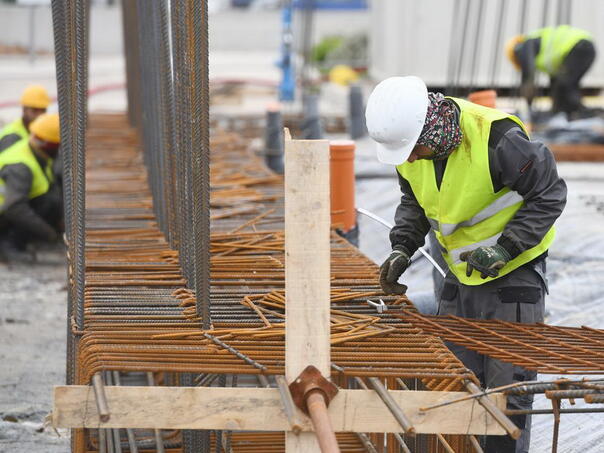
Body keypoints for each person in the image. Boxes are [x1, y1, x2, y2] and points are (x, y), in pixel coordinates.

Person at [365, 76, 567, 453]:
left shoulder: (496, 139)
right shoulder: (410, 151)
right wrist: (401, 248)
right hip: (458, 275)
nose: (409, 158)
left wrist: (507, 248)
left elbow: (549, 193)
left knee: (509, 397)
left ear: (431, 127)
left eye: (413, 149)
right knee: (459, 390)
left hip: (512, 274)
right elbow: (415, 204)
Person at [0, 113, 62, 263]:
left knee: (51, 198)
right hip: (5, 213)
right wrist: (49, 233)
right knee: (48, 202)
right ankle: (10, 245)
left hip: (6, 211)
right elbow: (14, 207)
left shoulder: (36, 151)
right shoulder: (20, 166)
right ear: (49, 145)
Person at [506, 25, 596, 118]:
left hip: (579, 46)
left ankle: (578, 113)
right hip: (585, 47)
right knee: (564, 85)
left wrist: (529, 106)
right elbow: (554, 82)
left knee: (564, 84)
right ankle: (568, 114)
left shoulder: (525, 47)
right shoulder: (538, 46)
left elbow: (528, 78)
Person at [0, 85, 51, 150]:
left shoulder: (43, 133)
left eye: (43, 110)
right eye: (35, 110)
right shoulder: (11, 137)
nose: (40, 115)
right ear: (24, 109)